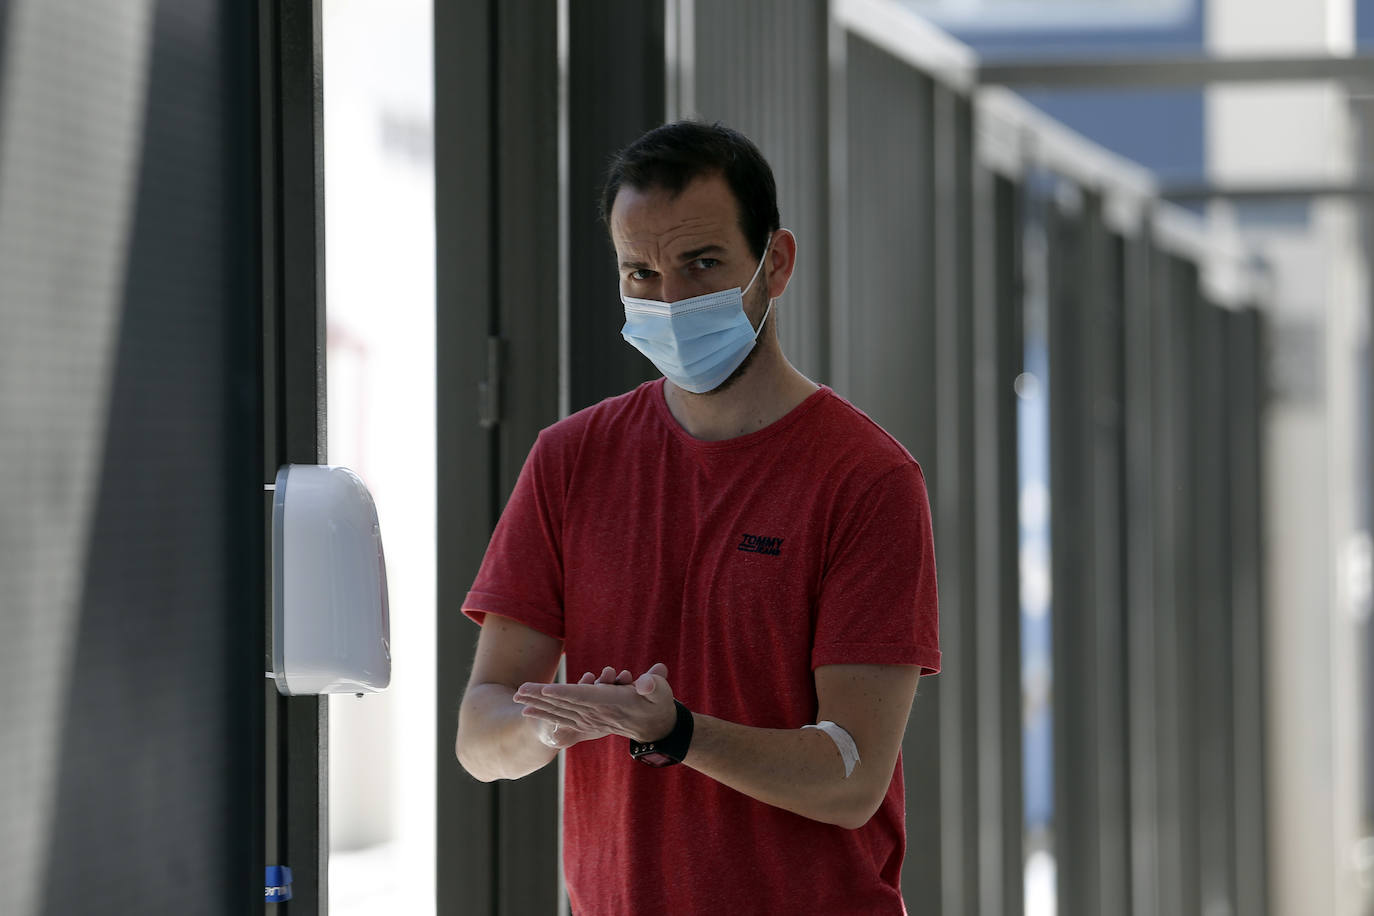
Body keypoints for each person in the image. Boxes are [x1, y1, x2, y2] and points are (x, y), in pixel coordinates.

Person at [454, 121, 940, 915]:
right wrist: (554, 725)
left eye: (701, 263)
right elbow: (481, 733)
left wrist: (679, 732)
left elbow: (852, 776)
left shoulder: (867, 479)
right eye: (640, 272)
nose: (670, 300)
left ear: (775, 264)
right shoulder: (569, 460)